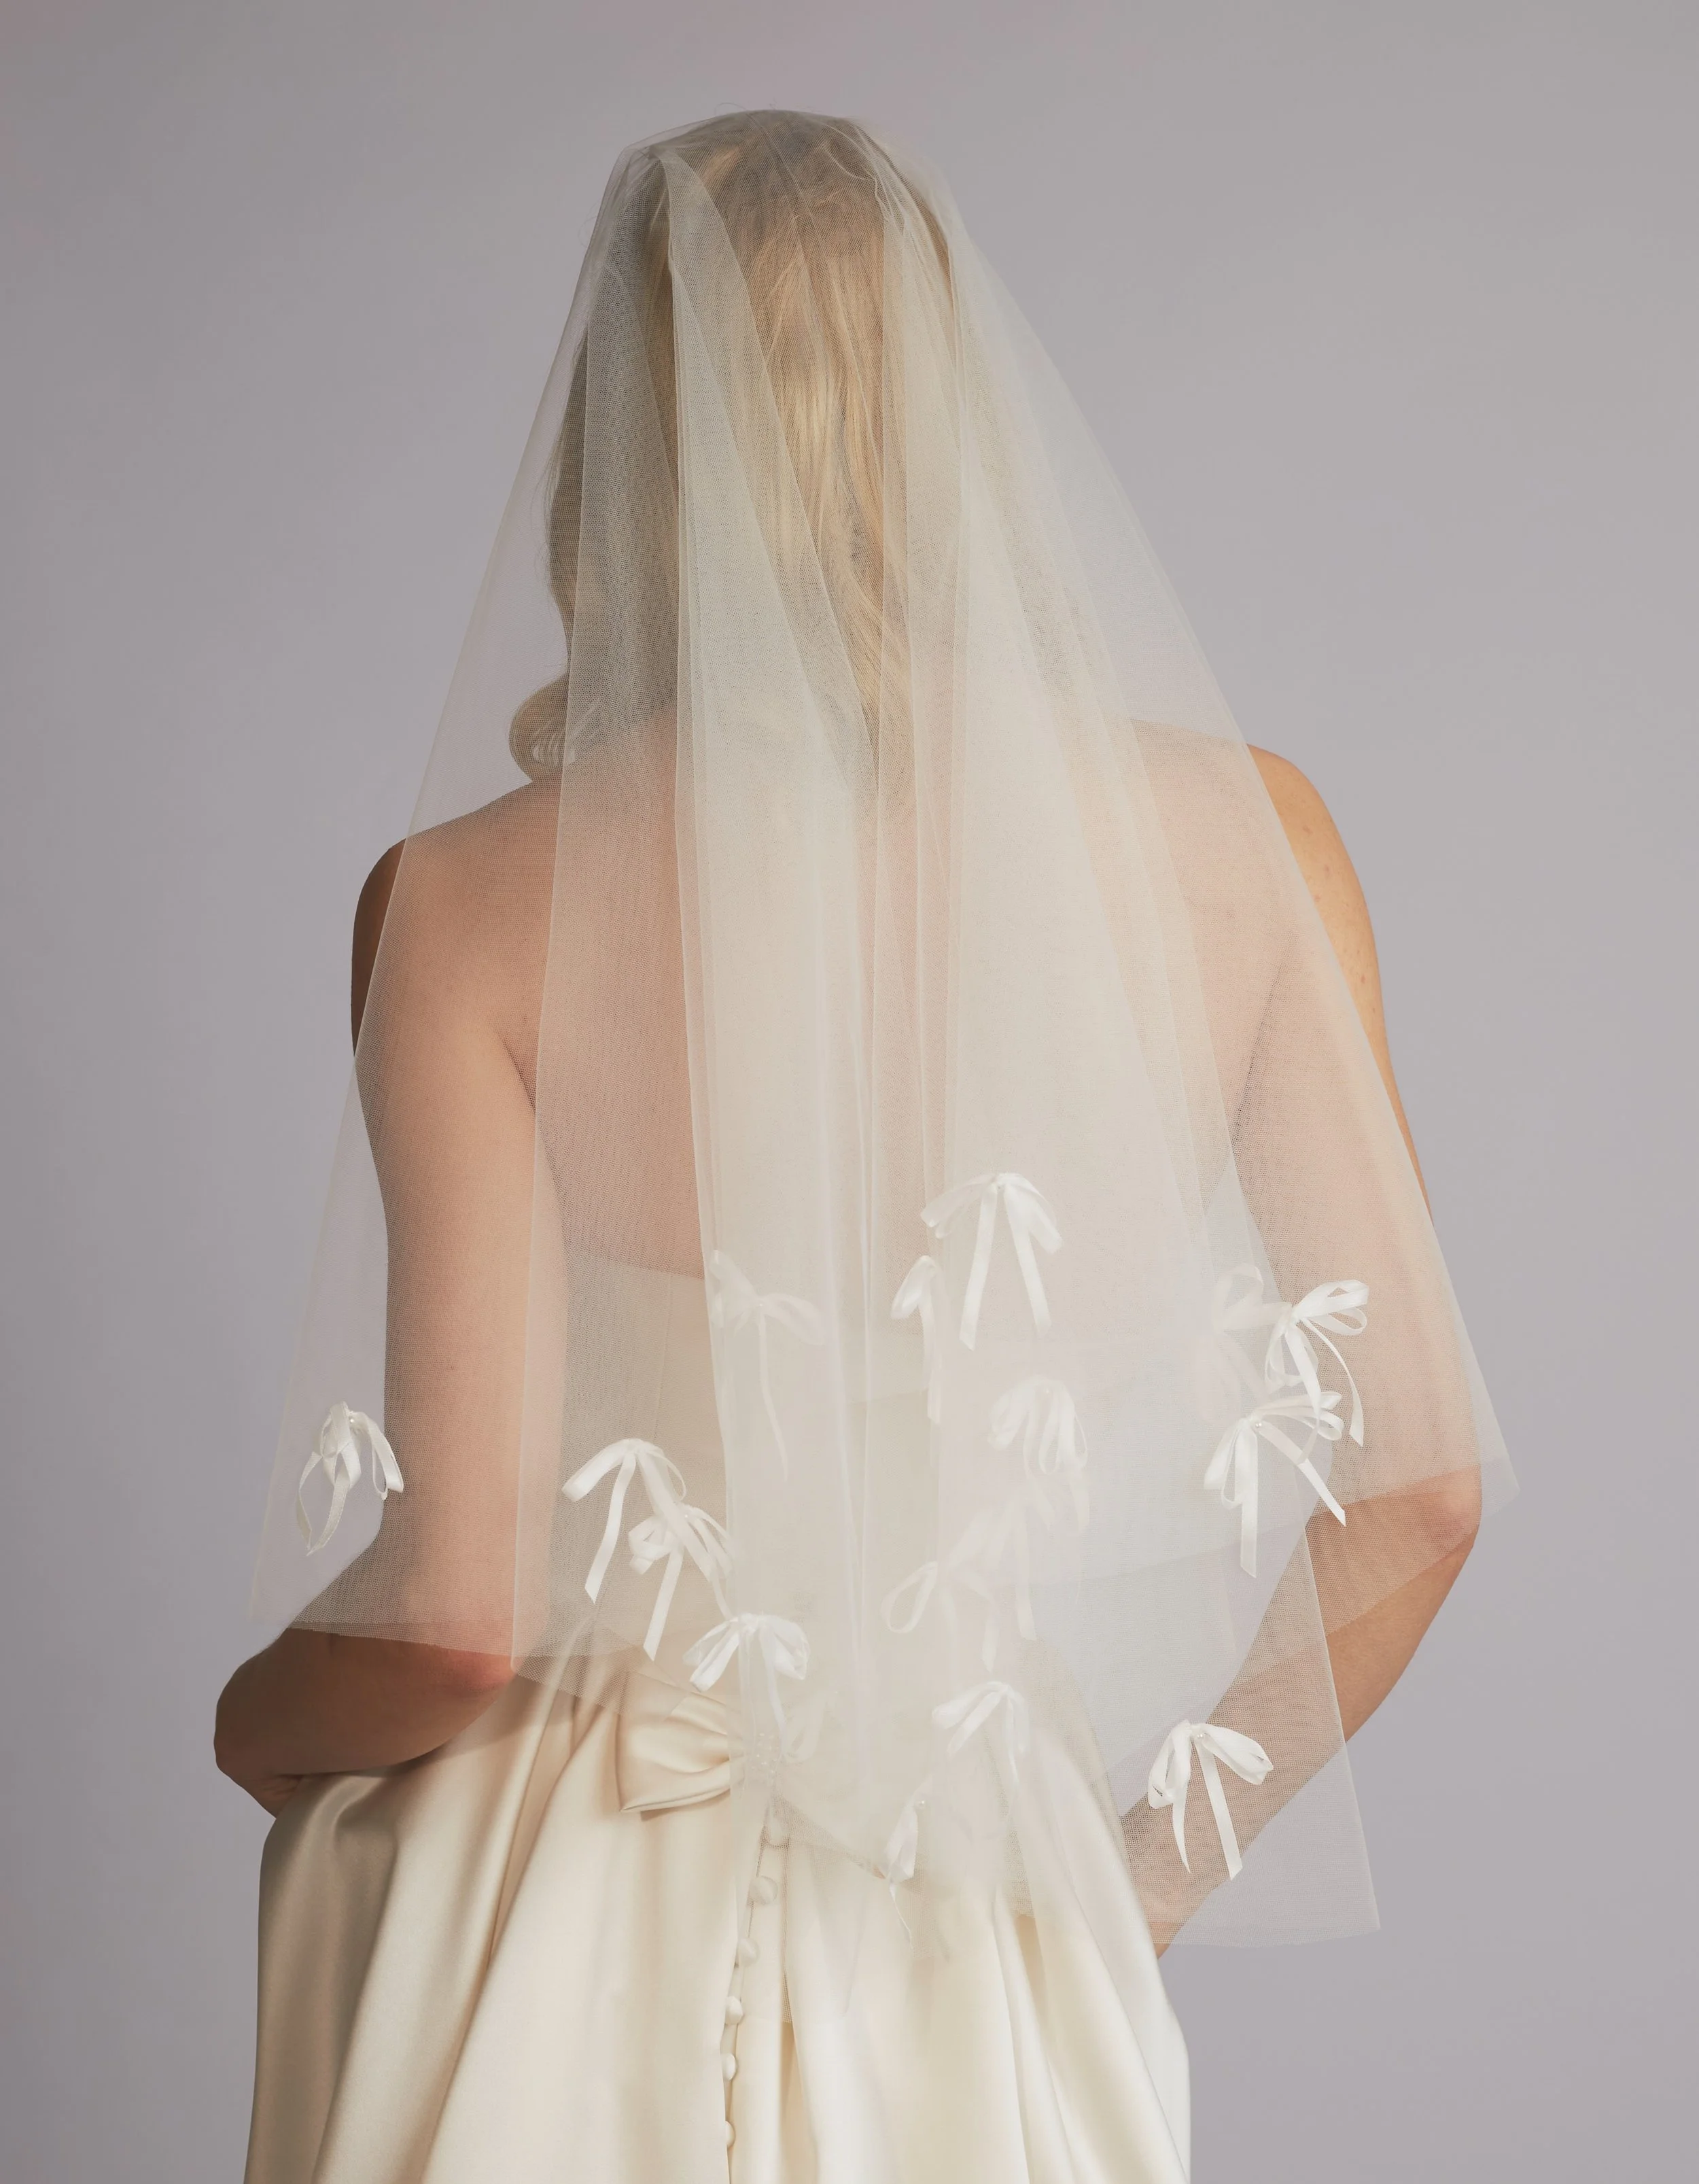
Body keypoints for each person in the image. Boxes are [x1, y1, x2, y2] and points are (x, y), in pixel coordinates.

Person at [217, 111, 1510, 2183]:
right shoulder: (1247, 850)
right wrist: (1125, 1880)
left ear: (623, 437)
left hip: (546, 1917)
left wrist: (250, 1724)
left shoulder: (460, 908)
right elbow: (1421, 1486)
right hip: (972, 1907)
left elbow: (457, 1612)